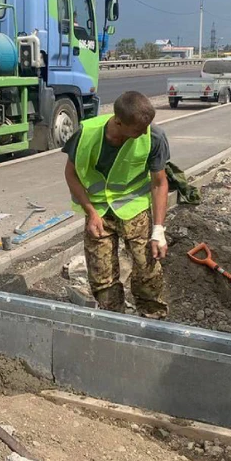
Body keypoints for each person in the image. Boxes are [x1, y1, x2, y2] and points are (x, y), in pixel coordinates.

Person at [63, 91, 170, 319]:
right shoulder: (86, 134)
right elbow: (71, 174)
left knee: (147, 270)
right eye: (137, 130)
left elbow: (160, 183)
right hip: (99, 212)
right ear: (118, 122)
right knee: (103, 278)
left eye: (146, 127)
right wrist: (90, 212)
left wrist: (159, 229)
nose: (143, 133)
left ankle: (153, 323)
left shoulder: (154, 137)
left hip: (134, 209)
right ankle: (115, 324)